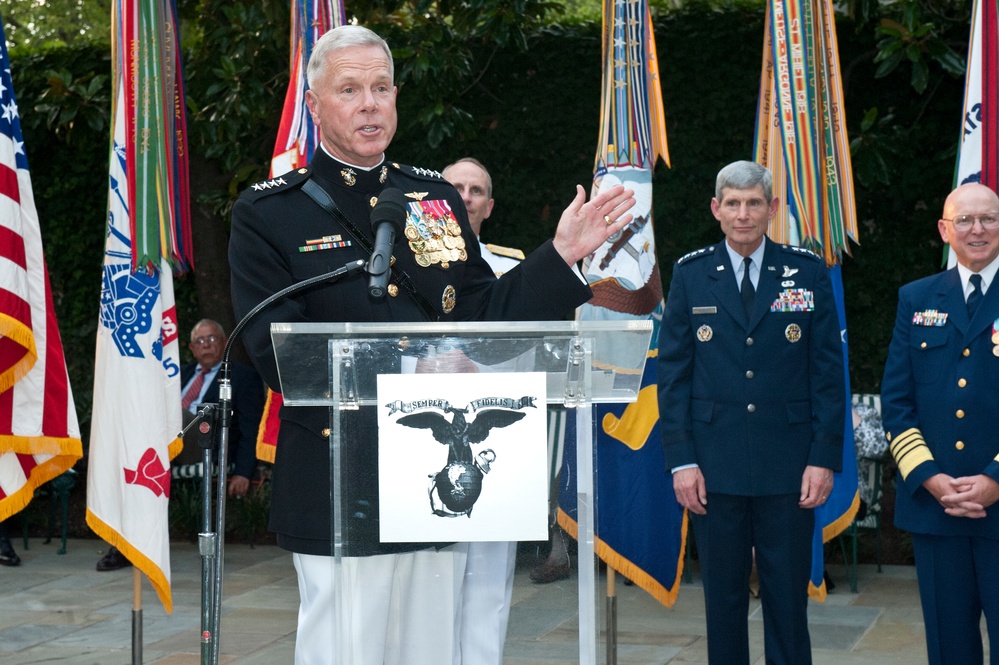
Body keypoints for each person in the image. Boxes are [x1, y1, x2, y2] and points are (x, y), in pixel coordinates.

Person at [227, 25, 635, 665]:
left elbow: (485, 318)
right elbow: (277, 356)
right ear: (315, 104)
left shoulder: (433, 199)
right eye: (350, 89)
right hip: (339, 481)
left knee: (430, 652)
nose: (370, 104)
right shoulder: (269, 213)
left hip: (435, 483)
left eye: (382, 88)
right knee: (346, 652)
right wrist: (417, 366)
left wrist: (560, 258)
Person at [658, 160, 844, 664]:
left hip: (790, 467)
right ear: (717, 210)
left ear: (772, 209)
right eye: (733, 204)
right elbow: (673, 376)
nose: (744, 214)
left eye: (754, 203)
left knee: (787, 603)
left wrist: (823, 457)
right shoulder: (692, 274)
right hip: (713, 469)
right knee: (723, 603)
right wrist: (681, 460)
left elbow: (828, 372)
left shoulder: (805, 272)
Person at [880, 182, 999, 665]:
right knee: (949, 650)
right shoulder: (916, 298)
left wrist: (995, 479)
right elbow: (897, 401)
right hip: (938, 508)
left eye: (988, 218)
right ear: (944, 230)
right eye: (965, 220)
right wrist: (929, 479)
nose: (977, 229)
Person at [96, 319, 265, 572]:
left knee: (174, 412)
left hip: (204, 444)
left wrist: (243, 471)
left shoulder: (242, 376)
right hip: (164, 444)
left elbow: (252, 427)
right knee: (135, 445)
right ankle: (126, 543)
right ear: (192, 348)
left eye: (212, 339)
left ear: (225, 342)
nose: (206, 345)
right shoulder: (178, 373)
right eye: (200, 341)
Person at [442, 157, 523, 276]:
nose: (465, 198)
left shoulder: (511, 268)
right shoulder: (410, 259)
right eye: (457, 188)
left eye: (476, 191)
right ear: (437, 199)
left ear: (488, 208)